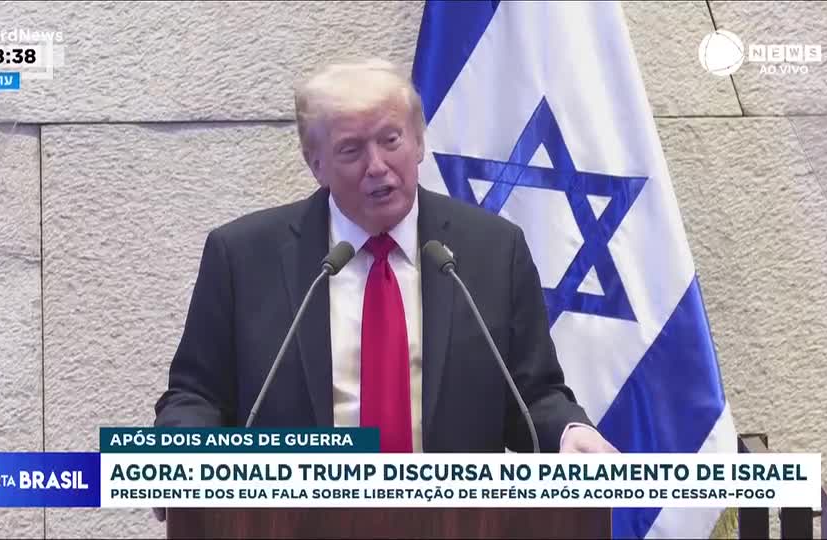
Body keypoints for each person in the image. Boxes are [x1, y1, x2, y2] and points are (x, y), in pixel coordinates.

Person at [154, 58, 615, 472]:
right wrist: (179, 454)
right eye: (351, 150)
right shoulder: (244, 256)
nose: (377, 165)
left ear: (418, 142)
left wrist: (568, 432)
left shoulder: (493, 250)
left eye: (391, 140)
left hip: (456, 520)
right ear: (315, 164)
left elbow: (533, 395)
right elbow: (197, 396)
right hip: (297, 519)